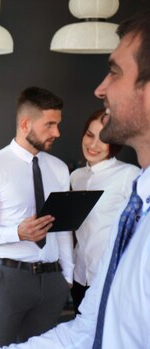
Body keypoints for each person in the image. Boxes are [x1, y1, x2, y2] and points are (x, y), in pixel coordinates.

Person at [4, 9, 150, 349]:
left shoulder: (129, 184)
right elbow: (89, 330)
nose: (100, 89)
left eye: (114, 72)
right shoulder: (136, 200)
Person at [0, 86, 73, 349]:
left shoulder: (59, 169)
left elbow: (63, 228)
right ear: (26, 124)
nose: (57, 133)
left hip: (51, 281)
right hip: (8, 279)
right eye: (50, 125)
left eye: (58, 125)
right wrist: (17, 232)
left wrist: (66, 277)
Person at [69, 109, 139, 313]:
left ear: (115, 143)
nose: (93, 145)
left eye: (103, 139)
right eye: (89, 135)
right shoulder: (76, 177)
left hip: (111, 278)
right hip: (80, 277)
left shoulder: (129, 175)